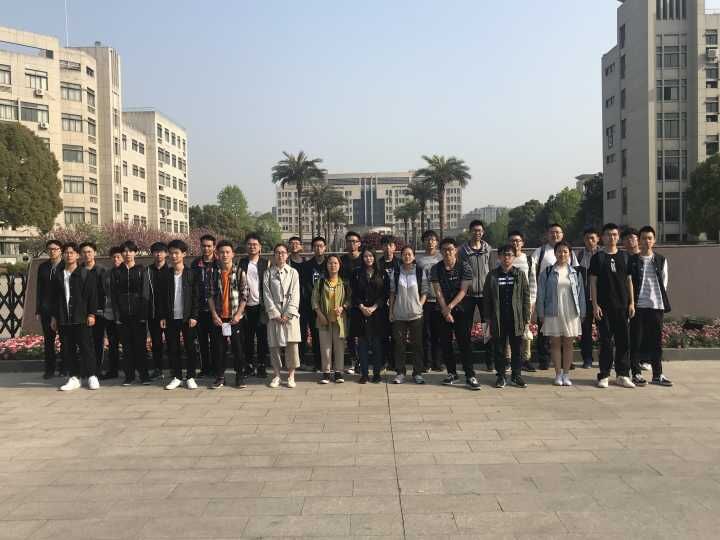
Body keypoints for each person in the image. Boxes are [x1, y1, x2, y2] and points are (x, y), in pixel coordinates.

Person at [590, 223, 636, 389]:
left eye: (615, 234)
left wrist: (632, 302)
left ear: (618, 237)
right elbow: (593, 283)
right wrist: (595, 305)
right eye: (608, 234)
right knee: (606, 342)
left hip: (622, 306)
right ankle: (604, 374)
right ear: (602, 237)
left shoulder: (625, 257)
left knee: (624, 341)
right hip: (604, 308)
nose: (612, 237)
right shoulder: (598, 258)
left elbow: (629, 281)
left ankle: (623, 375)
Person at [431, 238, 481, 390]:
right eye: (444, 249)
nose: (447, 252)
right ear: (440, 251)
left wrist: (450, 307)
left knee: (464, 342)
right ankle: (452, 373)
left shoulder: (464, 266)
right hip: (442, 310)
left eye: (450, 249)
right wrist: (445, 310)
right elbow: (438, 292)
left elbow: (463, 290)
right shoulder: (436, 268)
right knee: (446, 343)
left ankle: (470, 375)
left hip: (462, 310)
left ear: (456, 250)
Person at [627, 226, 673, 387]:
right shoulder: (633, 260)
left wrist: (658, 300)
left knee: (656, 343)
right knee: (636, 341)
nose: (646, 241)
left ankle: (657, 374)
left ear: (654, 240)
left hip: (656, 306)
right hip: (638, 306)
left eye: (649, 238)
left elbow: (664, 282)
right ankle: (636, 373)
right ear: (639, 241)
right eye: (643, 238)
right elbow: (629, 282)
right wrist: (631, 303)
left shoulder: (661, 259)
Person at [51, 243, 99, 391]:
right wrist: (54, 318)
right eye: (66, 253)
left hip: (81, 317)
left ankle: (92, 376)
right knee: (67, 349)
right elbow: (54, 299)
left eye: (72, 253)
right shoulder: (58, 275)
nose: (69, 255)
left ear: (78, 255)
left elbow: (92, 296)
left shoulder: (85, 274)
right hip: (64, 318)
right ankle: (74, 377)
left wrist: (91, 314)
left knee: (86, 348)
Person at [537, 241, 586, 387]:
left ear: (569, 254)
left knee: (569, 344)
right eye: (559, 251)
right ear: (555, 253)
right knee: (555, 344)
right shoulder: (547, 272)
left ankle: (566, 374)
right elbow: (541, 294)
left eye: (565, 251)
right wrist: (540, 313)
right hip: (553, 311)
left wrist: (582, 312)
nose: (562, 254)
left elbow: (581, 294)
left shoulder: (575, 272)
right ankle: (558, 374)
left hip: (571, 311)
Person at [531, 224, 579, 370]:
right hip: (547, 297)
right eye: (552, 232)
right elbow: (533, 273)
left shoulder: (570, 252)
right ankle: (544, 360)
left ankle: (566, 361)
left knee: (566, 332)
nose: (555, 235)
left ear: (562, 234)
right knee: (545, 332)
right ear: (547, 234)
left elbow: (576, 274)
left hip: (567, 299)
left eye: (558, 232)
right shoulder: (540, 252)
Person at [483, 244, 530, 389]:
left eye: (509, 254)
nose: (506, 257)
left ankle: (516, 376)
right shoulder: (492, 275)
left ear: (514, 257)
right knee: (499, 349)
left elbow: (526, 297)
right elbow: (487, 297)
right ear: (499, 257)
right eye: (504, 254)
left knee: (516, 349)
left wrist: (526, 318)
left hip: (516, 318)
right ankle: (501, 376)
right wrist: (487, 317)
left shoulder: (520, 274)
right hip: (498, 317)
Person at [159, 240, 200, 390]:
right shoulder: (166, 275)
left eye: (176, 253)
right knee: (173, 348)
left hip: (187, 317)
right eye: (171, 253)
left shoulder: (191, 273)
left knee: (190, 348)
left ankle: (190, 376)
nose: (173, 256)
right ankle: (176, 377)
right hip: (171, 317)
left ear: (184, 254)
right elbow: (162, 298)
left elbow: (196, 297)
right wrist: (163, 316)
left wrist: (194, 316)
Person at [208, 240, 248, 389]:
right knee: (219, 349)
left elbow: (245, 295)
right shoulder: (213, 273)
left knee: (238, 348)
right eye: (222, 252)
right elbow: (209, 295)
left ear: (233, 254)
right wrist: (214, 315)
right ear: (217, 254)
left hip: (235, 318)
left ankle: (240, 377)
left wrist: (238, 314)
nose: (224, 255)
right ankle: (220, 377)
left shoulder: (239, 272)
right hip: (219, 317)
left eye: (227, 252)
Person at [111, 240, 151, 386]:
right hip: (123, 315)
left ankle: (144, 375)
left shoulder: (142, 270)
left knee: (140, 346)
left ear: (135, 253)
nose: (127, 254)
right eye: (125, 251)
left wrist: (143, 315)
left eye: (130, 251)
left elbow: (145, 293)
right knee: (126, 347)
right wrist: (117, 315)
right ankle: (129, 376)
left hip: (138, 314)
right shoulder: (116, 272)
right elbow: (114, 295)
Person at [263, 243, 301, 388]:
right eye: (277, 252)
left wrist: (288, 313)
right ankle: (277, 375)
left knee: (292, 345)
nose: (280, 255)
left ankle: (291, 375)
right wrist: (275, 313)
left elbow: (295, 294)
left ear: (287, 255)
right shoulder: (268, 273)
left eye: (283, 252)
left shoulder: (293, 272)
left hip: (289, 314)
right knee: (274, 346)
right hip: (275, 315)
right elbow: (266, 294)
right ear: (274, 255)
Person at [458, 220, 494, 371]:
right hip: (468, 295)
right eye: (474, 230)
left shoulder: (488, 249)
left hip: (485, 295)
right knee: (466, 330)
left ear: (483, 232)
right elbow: (460, 270)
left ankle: (489, 362)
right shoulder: (462, 251)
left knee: (487, 329)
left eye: (479, 230)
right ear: (470, 232)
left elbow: (491, 270)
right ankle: (467, 362)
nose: (477, 233)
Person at [389, 246, 427, 384]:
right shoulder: (396, 271)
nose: (407, 256)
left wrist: (419, 305)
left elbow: (425, 291)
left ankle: (417, 373)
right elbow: (392, 292)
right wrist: (391, 311)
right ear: (401, 256)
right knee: (399, 345)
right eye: (404, 254)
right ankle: (400, 372)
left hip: (416, 315)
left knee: (417, 344)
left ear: (414, 256)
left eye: (410, 254)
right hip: (399, 314)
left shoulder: (419, 271)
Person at [349, 247, 387, 384]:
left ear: (374, 257)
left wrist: (374, 307)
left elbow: (385, 294)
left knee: (377, 345)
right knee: (363, 345)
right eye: (365, 256)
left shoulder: (382, 273)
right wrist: (362, 307)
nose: (368, 258)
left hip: (378, 313)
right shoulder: (356, 273)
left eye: (371, 256)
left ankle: (377, 374)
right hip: (360, 313)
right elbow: (353, 293)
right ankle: (364, 374)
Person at [313, 254, 351, 384]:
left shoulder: (344, 282)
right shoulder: (321, 282)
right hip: (324, 319)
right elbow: (314, 300)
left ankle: (338, 372)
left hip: (339, 319)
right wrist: (320, 314)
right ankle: (326, 373)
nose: (333, 265)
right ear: (326, 265)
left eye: (335, 263)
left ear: (339, 265)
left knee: (339, 347)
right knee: (325, 347)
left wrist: (343, 307)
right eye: (330, 263)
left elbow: (349, 299)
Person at [240, 233, 269, 378]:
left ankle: (262, 365)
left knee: (262, 337)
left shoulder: (266, 263)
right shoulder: (242, 263)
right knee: (248, 338)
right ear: (246, 246)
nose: (252, 247)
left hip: (261, 306)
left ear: (260, 247)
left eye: (255, 244)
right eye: (249, 244)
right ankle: (249, 365)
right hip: (246, 306)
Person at [507, 231, 537, 372]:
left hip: (524, 301)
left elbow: (533, 282)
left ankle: (526, 359)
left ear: (522, 243)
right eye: (512, 241)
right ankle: (508, 359)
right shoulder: (504, 259)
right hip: (508, 300)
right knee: (508, 330)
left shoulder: (529, 260)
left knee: (525, 329)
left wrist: (532, 301)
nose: (515, 243)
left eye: (518, 241)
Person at [191, 234, 217, 378]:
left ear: (214, 247)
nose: (206, 248)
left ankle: (216, 368)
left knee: (216, 341)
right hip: (200, 309)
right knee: (202, 342)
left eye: (209, 246)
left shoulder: (218, 262)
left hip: (216, 310)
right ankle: (205, 368)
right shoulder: (196, 264)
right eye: (204, 246)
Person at [36, 239, 63, 379]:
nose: (52, 251)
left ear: (60, 250)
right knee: (48, 340)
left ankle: (64, 368)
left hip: (62, 308)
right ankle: (49, 369)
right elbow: (39, 289)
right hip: (46, 308)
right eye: (50, 249)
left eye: (55, 249)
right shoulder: (43, 267)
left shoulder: (66, 265)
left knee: (65, 339)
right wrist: (38, 309)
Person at [622, 227, 648, 373]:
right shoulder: (622, 257)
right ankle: (625, 360)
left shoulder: (644, 257)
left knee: (642, 331)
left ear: (638, 239)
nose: (629, 241)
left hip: (643, 299)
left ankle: (643, 359)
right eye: (625, 239)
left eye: (632, 238)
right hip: (625, 300)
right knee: (625, 332)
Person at [416, 230, 443, 372]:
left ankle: (438, 362)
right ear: (423, 242)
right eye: (427, 239)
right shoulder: (418, 260)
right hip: (425, 300)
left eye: (433, 239)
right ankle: (427, 363)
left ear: (437, 242)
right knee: (425, 333)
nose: (430, 242)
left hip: (440, 300)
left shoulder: (441, 258)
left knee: (439, 333)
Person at [80, 242, 107, 373]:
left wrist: (99, 310)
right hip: (81, 312)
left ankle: (97, 370)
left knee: (97, 340)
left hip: (98, 312)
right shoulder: (78, 270)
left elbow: (104, 292)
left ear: (95, 253)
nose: (87, 255)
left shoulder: (102, 270)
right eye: (84, 252)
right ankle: (86, 369)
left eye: (89, 252)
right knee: (84, 342)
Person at [300, 237, 327, 370]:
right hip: (312, 305)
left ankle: (328, 362)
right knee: (315, 335)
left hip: (328, 304)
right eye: (315, 246)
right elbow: (305, 285)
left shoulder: (330, 263)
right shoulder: (307, 265)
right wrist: (314, 299)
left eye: (321, 246)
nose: (318, 248)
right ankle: (318, 363)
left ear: (325, 248)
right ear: (312, 248)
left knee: (328, 335)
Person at [577, 228, 600, 369]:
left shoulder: (603, 254)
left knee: (604, 330)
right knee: (585, 331)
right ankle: (587, 359)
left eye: (592, 238)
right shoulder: (580, 255)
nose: (590, 241)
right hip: (584, 299)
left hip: (601, 300)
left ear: (598, 239)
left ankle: (606, 359)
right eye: (587, 238)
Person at [340, 231, 363, 374]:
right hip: (347, 302)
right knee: (349, 334)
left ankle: (363, 361)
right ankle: (354, 362)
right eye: (349, 241)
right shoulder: (342, 261)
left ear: (359, 243)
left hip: (363, 302)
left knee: (363, 335)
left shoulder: (365, 258)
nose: (351, 244)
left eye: (354, 241)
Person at [99, 246, 123, 380]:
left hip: (124, 314)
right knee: (113, 344)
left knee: (128, 343)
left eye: (118, 257)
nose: (116, 259)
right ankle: (113, 371)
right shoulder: (106, 274)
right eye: (113, 257)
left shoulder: (127, 272)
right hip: (109, 314)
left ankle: (130, 370)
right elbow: (104, 292)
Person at [146, 242, 168, 379]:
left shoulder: (170, 270)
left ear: (166, 253)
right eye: (155, 251)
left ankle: (174, 369)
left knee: (172, 342)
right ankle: (158, 369)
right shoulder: (148, 271)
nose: (158, 254)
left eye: (161, 251)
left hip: (169, 313)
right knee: (156, 343)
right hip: (153, 313)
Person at [378, 235, 399, 371]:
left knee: (396, 335)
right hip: (381, 305)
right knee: (383, 335)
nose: (387, 248)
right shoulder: (377, 264)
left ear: (394, 247)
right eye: (385, 245)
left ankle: (395, 362)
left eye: (390, 245)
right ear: (381, 247)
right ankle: (384, 361)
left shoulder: (400, 263)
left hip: (397, 304)